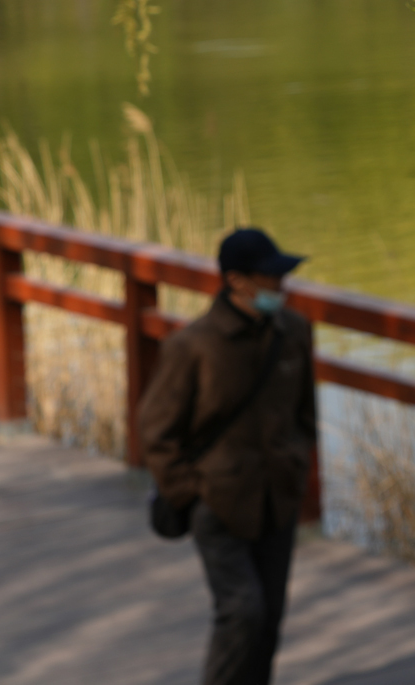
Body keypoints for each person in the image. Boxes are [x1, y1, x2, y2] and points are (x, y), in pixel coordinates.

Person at [139, 229, 317, 685]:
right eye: (271, 276)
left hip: (278, 496)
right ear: (237, 281)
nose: (282, 284)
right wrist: (192, 491)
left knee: (270, 615)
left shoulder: (294, 331)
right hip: (217, 502)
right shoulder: (192, 346)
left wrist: (297, 461)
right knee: (242, 611)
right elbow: (156, 431)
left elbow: (305, 411)